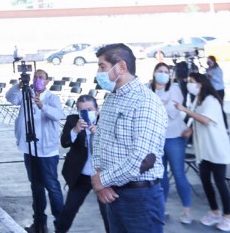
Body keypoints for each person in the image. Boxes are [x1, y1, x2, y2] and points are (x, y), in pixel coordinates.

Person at [90, 43, 166, 233]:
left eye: (102, 66)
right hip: (112, 193)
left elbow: (140, 158)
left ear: (121, 67)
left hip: (140, 197)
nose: (98, 72)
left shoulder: (145, 102)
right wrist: (102, 180)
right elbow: (99, 142)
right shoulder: (110, 99)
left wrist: (101, 180)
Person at [175, 72, 230, 231]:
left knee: (220, 182)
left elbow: (206, 120)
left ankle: (228, 216)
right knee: (206, 182)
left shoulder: (211, 101)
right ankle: (215, 211)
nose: (189, 85)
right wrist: (190, 130)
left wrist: (184, 110)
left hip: (217, 149)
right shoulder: (198, 100)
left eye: (191, 82)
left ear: (200, 84)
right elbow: (198, 121)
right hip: (204, 150)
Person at [6, 68, 64, 233]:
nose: (37, 80)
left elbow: (58, 115)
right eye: (35, 77)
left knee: (52, 187)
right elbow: (10, 98)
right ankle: (39, 223)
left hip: (47, 151)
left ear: (47, 81)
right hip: (29, 149)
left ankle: (60, 224)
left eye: (41, 77)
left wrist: (42, 106)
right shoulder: (26, 94)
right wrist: (19, 86)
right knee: (36, 186)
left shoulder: (52, 98)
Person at [55, 94, 109, 233]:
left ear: (97, 110)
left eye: (90, 109)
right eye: (82, 110)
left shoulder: (106, 122)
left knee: (108, 213)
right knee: (69, 210)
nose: (87, 113)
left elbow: (114, 147)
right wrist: (75, 131)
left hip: (103, 176)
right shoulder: (73, 120)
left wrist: (98, 135)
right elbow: (64, 142)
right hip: (81, 175)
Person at [149, 62, 192, 224]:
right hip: (155, 138)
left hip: (174, 136)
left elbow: (173, 113)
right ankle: (162, 207)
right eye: (159, 71)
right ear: (154, 73)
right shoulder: (147, 89)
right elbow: (145, 111)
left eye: (166, 72)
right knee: (161, 176)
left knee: (178, 173)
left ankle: (187, 211)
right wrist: (163, 106)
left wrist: (158, 107)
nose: (163, 74)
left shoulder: (174, 89)